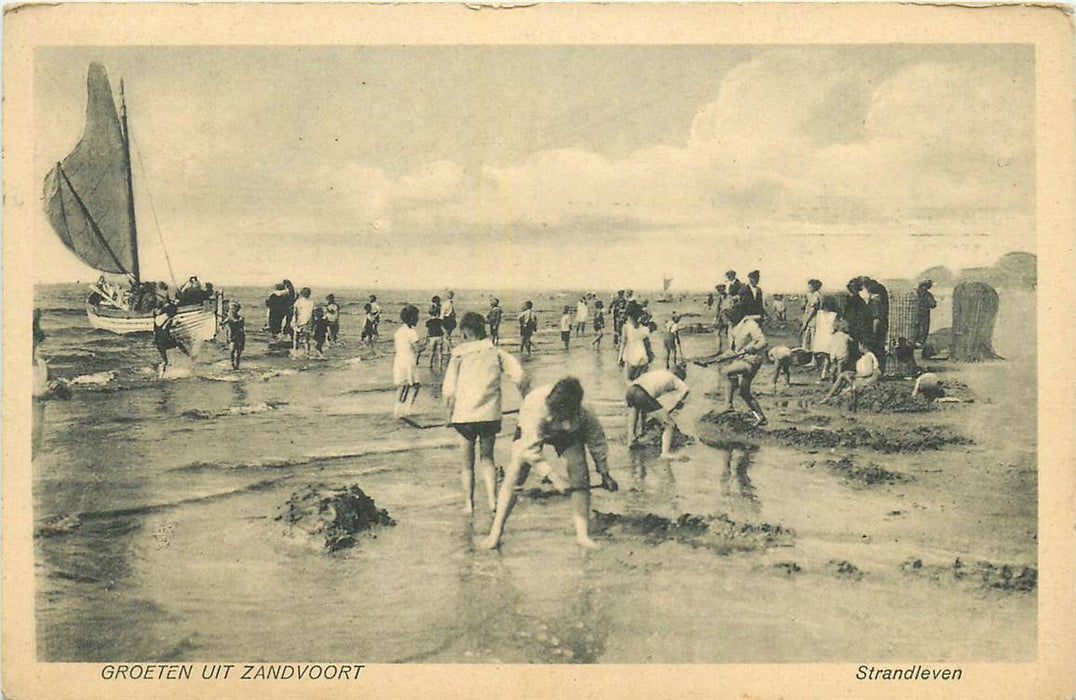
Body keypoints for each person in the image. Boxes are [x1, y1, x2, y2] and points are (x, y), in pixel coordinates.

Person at [479, 377, 618, 550]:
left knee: (580, 472)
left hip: (567, 434)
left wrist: (605, 473)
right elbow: (530, 450)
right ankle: (495, 533)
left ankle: (582, 536)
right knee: (515, 473)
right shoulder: (534, 408)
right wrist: (554, 477)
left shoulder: (584, 412)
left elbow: (597, 441)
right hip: (533, 432)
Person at [442, 312, 529, 514]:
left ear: (463, 332)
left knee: (467, 464)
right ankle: (492, 501)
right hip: (490, 414)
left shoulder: (458, 354)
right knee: (488, 458)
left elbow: (448, 390)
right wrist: (525, 400)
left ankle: (469, 504)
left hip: (464, 415)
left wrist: (449, 415)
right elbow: (520, 376)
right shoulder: (496, 352)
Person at [714, 302, 768, 426]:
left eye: (728, 318)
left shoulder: (749, 324)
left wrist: (753, 348)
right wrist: (722, 357)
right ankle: (760, 417)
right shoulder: (731, 328)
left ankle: (728, 405)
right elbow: (733, 350)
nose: (727, 321)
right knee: (744, 393)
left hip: (752, 360)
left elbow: (763, 341)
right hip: (742, 359)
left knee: (726, 372)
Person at [626, 364, 690, 460]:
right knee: (670, 424)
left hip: (631, 390)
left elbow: (644, 409)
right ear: (679, 376)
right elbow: (686, 389)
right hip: (643, 394)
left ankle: (631, 439)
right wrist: (679, 402)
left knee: (636, 408)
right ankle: (665, 453)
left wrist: (643, 429)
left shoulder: (660, 372)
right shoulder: (675, 378)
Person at [821, 340, 880, 409]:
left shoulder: (868, 356)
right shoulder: (867, 356)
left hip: (866, 380)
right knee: (844, 374)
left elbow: (868, 372)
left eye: (859, 346)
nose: (859, 348)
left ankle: (829, 396)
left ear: (863, 346)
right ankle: (832, 394)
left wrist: (856, 375)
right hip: (863, 378)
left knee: (842, 376)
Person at [393, 304, 425, 417]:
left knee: (402, 386)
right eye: (416, 316)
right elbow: (418, 349)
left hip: (399, 360)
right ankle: (408, 409)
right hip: (409, 361)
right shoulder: (412, 331)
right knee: (415, 385)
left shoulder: (399, 331)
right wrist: (426, 343)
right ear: (411, 318)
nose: (417, 319)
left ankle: (397, 410)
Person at [153, 303, 189, 376]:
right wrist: (171, 338)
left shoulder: (158, 317)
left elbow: (155, 331)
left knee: (165, 360)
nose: (176, 314)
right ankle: (190, 356)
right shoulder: (169, 319)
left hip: (158, 341)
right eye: (175, 312)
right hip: (164, 339)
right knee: (179, 344)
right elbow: (165, 330)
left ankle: (160, 374)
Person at [619, 302, 653, 380]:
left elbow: (623, 343)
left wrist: (620, 358)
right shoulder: (644, 329)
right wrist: (650, 356)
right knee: (640, 383)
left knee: (628, 383)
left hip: (630, 357)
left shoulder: (626, 327)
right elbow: (647, 344)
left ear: (629, 316)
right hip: (642, 356)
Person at [801, 279, 822, 364]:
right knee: (808, 340)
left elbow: (812, 311)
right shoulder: (812, 295)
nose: (808, 288)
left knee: (813, 341)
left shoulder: (816, 296)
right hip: (810, 321)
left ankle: (814, 361)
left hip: (813, 321)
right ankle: (808, 359)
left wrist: (806, 322)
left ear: (814, 287)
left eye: (810, 286)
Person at [222, 301, 246, 370]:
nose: (232, 310)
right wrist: (223, 323)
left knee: (238, 352)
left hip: (240, 336)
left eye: (233, 309)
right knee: (232, 350)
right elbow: (222, 324)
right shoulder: (228, 318)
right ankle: (232, 364)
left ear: (237, 310)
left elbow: (238, 323)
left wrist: (231, 320)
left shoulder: (241, 318)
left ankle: (237, 366)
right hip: (232, 336)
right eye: (231, 309)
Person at [292, 287, 315, 351]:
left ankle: (295, 351)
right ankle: (307, 352)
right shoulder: (311, 302)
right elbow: (313, 315)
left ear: (301, 294)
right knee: (307, 340)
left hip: (299, 321)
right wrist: (313, 325)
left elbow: (295, 312)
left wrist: (295, 322)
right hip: (308, 322)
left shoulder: (298, 302)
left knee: (296, 338)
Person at [426, 300, 446, 370]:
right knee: (440, 352)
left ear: (430, 314)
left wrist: (427, 338)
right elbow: (443, 328)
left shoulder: (428, 322)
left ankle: (430, 364)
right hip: (439, 337)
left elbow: (428, 331)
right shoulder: (440, 321)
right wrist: (446, 335)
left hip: (432, 337)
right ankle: (440, 365)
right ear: (437, 314)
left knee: (432, 352)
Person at [916, 280, 937, 348]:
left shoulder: (915, 293)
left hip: (917, 313)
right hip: (924, 313)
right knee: (924, 328)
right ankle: (920, 342)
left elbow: (933, 304)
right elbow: (933, 304)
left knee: (918, 328)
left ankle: (918, 342)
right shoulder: (927, 294)